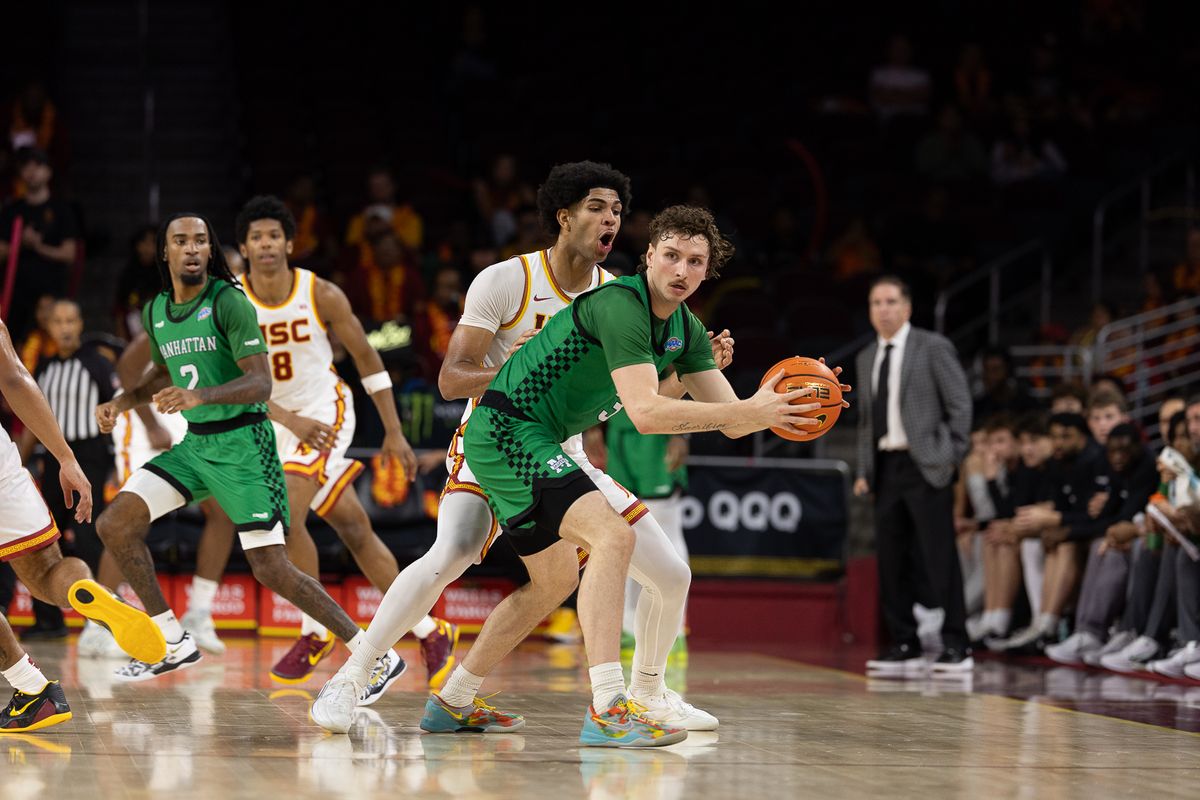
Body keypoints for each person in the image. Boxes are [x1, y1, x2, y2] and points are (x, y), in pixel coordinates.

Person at [312, 202, 777, 748]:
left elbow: (681, 410)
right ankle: (605, 705)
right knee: (468, 550)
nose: (680, 270)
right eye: (670, 256)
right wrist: (744, 411)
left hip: (561, 446)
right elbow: (455, 379)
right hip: (501, 430)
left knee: (629, 576)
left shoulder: (674, 322)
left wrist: (781, 408)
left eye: (693, 262)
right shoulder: (526, 281)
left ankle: (465, 698)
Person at [90, 213, 399, 698]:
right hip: (196, 446)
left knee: (272, 567)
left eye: (200, 241)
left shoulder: (228, 301)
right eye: (180, 241)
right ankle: (173, 639)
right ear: (164, 253)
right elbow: (158, 374)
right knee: (115, 524)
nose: (192, 249)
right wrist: (123, 402)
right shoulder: (156, 311)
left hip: (246, 446)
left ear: (210, 251)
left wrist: (200, 396)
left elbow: (260, 382)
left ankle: (373, 654)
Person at [236, 195, 457, 688]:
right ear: (244, 247)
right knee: (354, 528)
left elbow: (368, 361)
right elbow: (233, 381)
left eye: (274, 235)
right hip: (272, 419)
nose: (266, 244)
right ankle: (430, 629)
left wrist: (394, 431)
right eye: (256, 237)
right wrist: (282, 418)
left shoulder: (322, 293)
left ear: (290, 243)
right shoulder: (232, 301)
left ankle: (316, 630)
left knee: (286, 515)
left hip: (323, 412)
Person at [0, 302, 163, 730]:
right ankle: (86, 594)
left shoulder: (92, 364)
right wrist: (66, 459)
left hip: (71, 448)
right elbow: (16, 379)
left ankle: (29, 684)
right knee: (46, 570)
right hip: (4, 456)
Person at [855, 274, 973, 674]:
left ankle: (957, 644)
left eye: (890, 302)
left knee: (939, 555)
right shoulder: (867, 356)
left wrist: (951, 455)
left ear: (906, 308)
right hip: (887, 466)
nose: (883, 309)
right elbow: (867, 423)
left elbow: (960, 404)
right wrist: (864, 470)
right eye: (876, 303)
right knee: (891, 559)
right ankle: (903, 641)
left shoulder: (932, 347)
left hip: (926, 465)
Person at [106, 332, 237, 656]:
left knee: (223, 512)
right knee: (129, 521)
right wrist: (151, 425)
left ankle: (199, 615)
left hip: (187, 420)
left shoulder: (229, 320)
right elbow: (127, 370)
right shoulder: (168, 316)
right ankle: (101, 628)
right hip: (142, 419)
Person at [14, 300, 116, 643]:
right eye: (59, 321)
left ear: (81, 323)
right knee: (43, 539)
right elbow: (31, 422)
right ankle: (48, 621)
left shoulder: (98, 364)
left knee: (88, 537)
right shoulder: (42, 367)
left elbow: (113, 412)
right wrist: (18, 458)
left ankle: (97, 622)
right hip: (51, 461)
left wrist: (116, 463)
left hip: (89, 457)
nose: (66, 327)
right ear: (50, 327)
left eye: (71, 320)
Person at [0, 148, 80, 340]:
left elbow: (69, 254)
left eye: (37, 166)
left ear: (48, 172)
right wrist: (19, 244)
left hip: (51, 292)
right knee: (15, 345)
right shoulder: (12, 210)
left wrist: (38, 246)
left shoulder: (62, 209)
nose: (31, 172)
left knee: (50, 344)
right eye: (26, 166)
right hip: (17, 294)